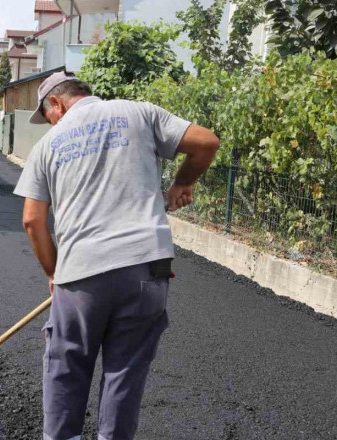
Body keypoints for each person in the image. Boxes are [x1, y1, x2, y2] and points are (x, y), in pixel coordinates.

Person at [13, 72, 219, 440]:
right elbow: (205, 142)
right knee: (125, 371)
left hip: (81, 274)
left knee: (67, 365)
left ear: (56, 104)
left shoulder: (48, 145)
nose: (51, 123)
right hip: (146, 269)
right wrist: (182, 183)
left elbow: (32, 220)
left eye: (48, 116)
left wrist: (54, 273)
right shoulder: (139, 113)